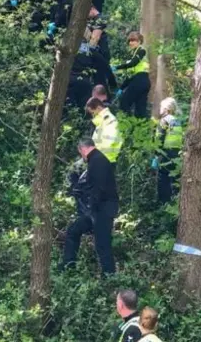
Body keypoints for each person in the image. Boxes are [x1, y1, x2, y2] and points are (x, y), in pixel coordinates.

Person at [61, 138, 118, 275]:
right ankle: (68, 265)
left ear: (83, 149)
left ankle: (109, 275)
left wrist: (91, 208)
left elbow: (99, 189)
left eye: (80, 153)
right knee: (73, 231)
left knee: (102, 244)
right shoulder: (97, 160)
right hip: (97, 210)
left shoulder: (97, 161)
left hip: (102, 210)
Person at [113, 32, 150, 118]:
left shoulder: (141, 51)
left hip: (140, 80)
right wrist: (121, 88)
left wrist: (117, 67)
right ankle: (140, 128)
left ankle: (127, 124)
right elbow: (130, 75)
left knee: (124, 103)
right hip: (140, 81)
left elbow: (133, 64)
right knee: (140, 110)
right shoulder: (133, 55)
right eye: (129, 41)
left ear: (139, 41)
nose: (130, 43)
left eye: (133, 40)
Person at [153, 97, 183, 204]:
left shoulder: (164, 121)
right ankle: (175, 203)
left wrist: (156, 156)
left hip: (165, 154)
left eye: (161, 107)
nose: (160, 109)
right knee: (175, 180)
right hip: (176, 154)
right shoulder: (177, 121)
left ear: (166, 109)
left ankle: (163, 204)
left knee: (163, 180)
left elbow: (159, 139)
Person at [86, 97, 123, 166]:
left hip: (106, 160)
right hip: (102, 158)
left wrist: (94, 154)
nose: (92, 115)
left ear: (99, 108)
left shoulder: (109, 121)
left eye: (93, 112)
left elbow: (108, 143)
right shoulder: (102, 121)